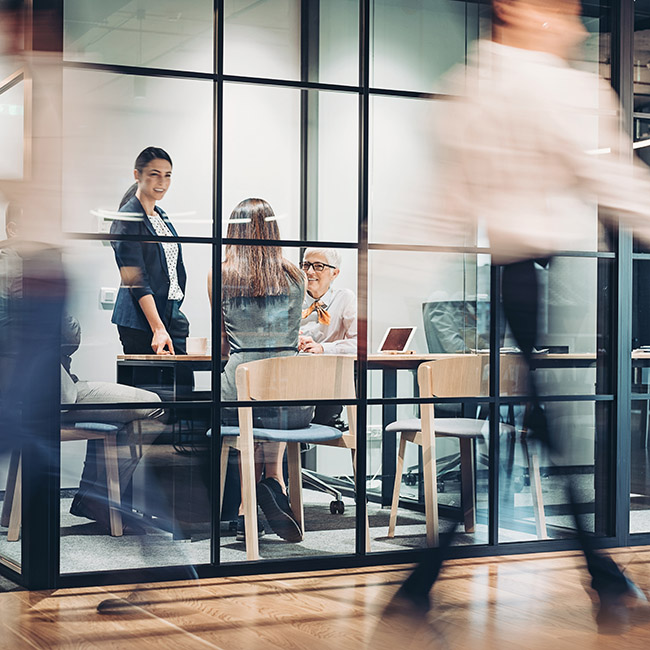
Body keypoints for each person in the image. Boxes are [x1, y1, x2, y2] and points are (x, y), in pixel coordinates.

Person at [380, 0, 650, 638]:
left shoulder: (473, 85)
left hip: (515, 276)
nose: (575, 19)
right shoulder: (554, 86)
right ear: (514, 9)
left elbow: (445, 201)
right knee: (542, 429)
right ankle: (602, 578)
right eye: (559, 5)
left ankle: (422, 587)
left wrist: (386, 277)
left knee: (533, 429)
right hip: (527, 276)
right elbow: (612, 181)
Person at [208, 198, 310, 544]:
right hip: (295, 402)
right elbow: (291, 336)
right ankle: (274, 482)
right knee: (273, 395)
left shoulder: (219, 273)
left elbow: (223, 344)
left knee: (249, 404)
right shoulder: (296, 274)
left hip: (242, 392)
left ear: (233, 232)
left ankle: (245, 504)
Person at [110, 147, 189, 360]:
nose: (162, 182)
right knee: (150, 390)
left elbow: (171, 268)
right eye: (154, 174)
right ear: (138, 175)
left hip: (171, 313)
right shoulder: (128, 218)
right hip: (143, 320)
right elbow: (137, 280)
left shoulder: (160, 215)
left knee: (182, 387)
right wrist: (158, 327)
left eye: (167, 175)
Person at [299, 247, 356, 427]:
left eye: (318, 266)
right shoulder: (291, 297)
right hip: (293, 380)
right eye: (306, 265)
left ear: (335, 273)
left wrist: (323, 348)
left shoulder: (345, 298)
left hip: (327, 384)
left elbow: (359, 343)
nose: (309, 272)